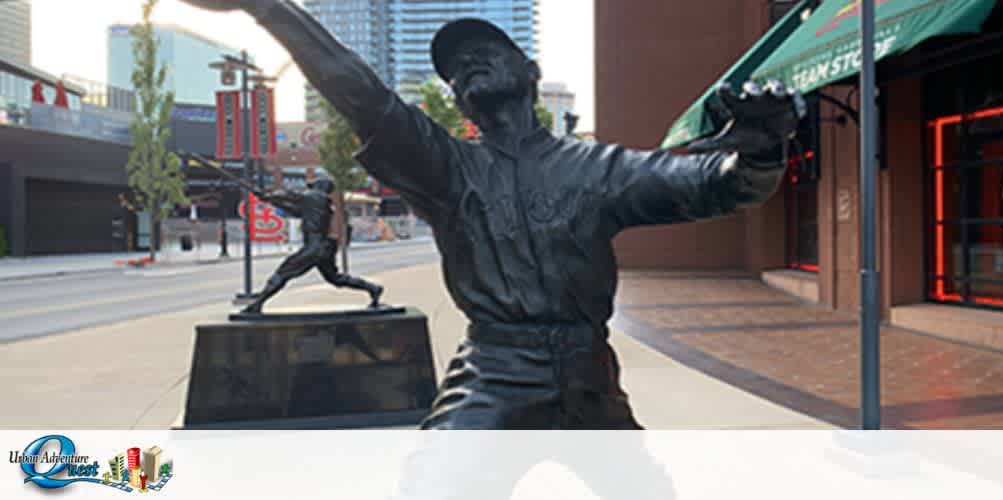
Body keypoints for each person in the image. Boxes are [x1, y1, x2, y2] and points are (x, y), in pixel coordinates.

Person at [183, 0, 805, 429]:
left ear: (530, 72)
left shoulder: (597, 168)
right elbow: (362, 94)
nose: (465, 65)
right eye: (455, 69)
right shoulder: (446, 168)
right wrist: (270, 9)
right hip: (496, 368)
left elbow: (713, 185)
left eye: (486, 50)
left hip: (591, 372)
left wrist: (760, 147)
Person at [243, 177, 382, 314]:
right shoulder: (319, 203)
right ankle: (373, 288)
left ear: (320, 186)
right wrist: (270, 200)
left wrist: (269, 195)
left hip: (314, 247)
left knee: (282, 273)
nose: (310, 189)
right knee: (336, 279)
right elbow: (294, 210)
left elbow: (291, 195)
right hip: (324, 246)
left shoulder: (315, 197)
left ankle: (258, 304)